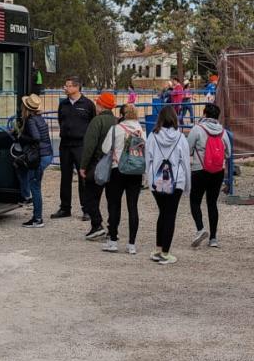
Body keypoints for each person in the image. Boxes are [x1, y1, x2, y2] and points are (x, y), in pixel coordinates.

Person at [99, 103, 147, 253]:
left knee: (114, 205)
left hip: (117, 169)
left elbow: (105, 149)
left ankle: (113, 240)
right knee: (133, 207)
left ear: (121, 115)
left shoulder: (116, 129)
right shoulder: (141, 131)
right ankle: (131, 244)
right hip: (135, 171)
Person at [145, 106, 190, 263]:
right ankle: (165, 253)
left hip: (156, 181)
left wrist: (148, 179)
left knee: (162, 213)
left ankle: (158, 249)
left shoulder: (152, 136)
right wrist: (187, 186)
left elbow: (147, 159)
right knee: (170, 215)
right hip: (176, 180)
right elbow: (185, 163)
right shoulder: (180, 138)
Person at [185, 103, 232, 248]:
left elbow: (188, 149)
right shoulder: (222, 131)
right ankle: (213, 238)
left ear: (204, 114)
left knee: (195, 201)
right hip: (217, 171)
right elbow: (228, 153)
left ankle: (200, 229)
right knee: (212, 203)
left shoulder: (197, 129)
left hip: (200, 170)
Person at [76, 91, 118, 241]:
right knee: (113, 200)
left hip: (97, 164)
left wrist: (83, 166)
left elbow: (89, 146)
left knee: (90, 197)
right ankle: (112, 229)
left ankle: (96, 225)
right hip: (114, 165)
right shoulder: (117, 121)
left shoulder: (97, 121)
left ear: (101, 105)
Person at [54, 78, 97, 220]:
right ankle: (65, 208)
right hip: (65, 145)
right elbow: (61, 120)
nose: (64, 88)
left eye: (67, 86)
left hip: (81, 146)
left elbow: (92, 124)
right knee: (65, 177)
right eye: (65, 85)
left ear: (77, 87)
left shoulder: (88, 104)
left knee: (83, 177)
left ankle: (87, 209)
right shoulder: (63, 104)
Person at [17, 94, 54, 227]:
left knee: (35, 187)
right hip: (46, 154)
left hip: (38, 157)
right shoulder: (39, 118)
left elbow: (36, 137)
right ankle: (28, 200)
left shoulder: (31, 120)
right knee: (32, 181)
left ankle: (37, 219)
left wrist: (22, 137)